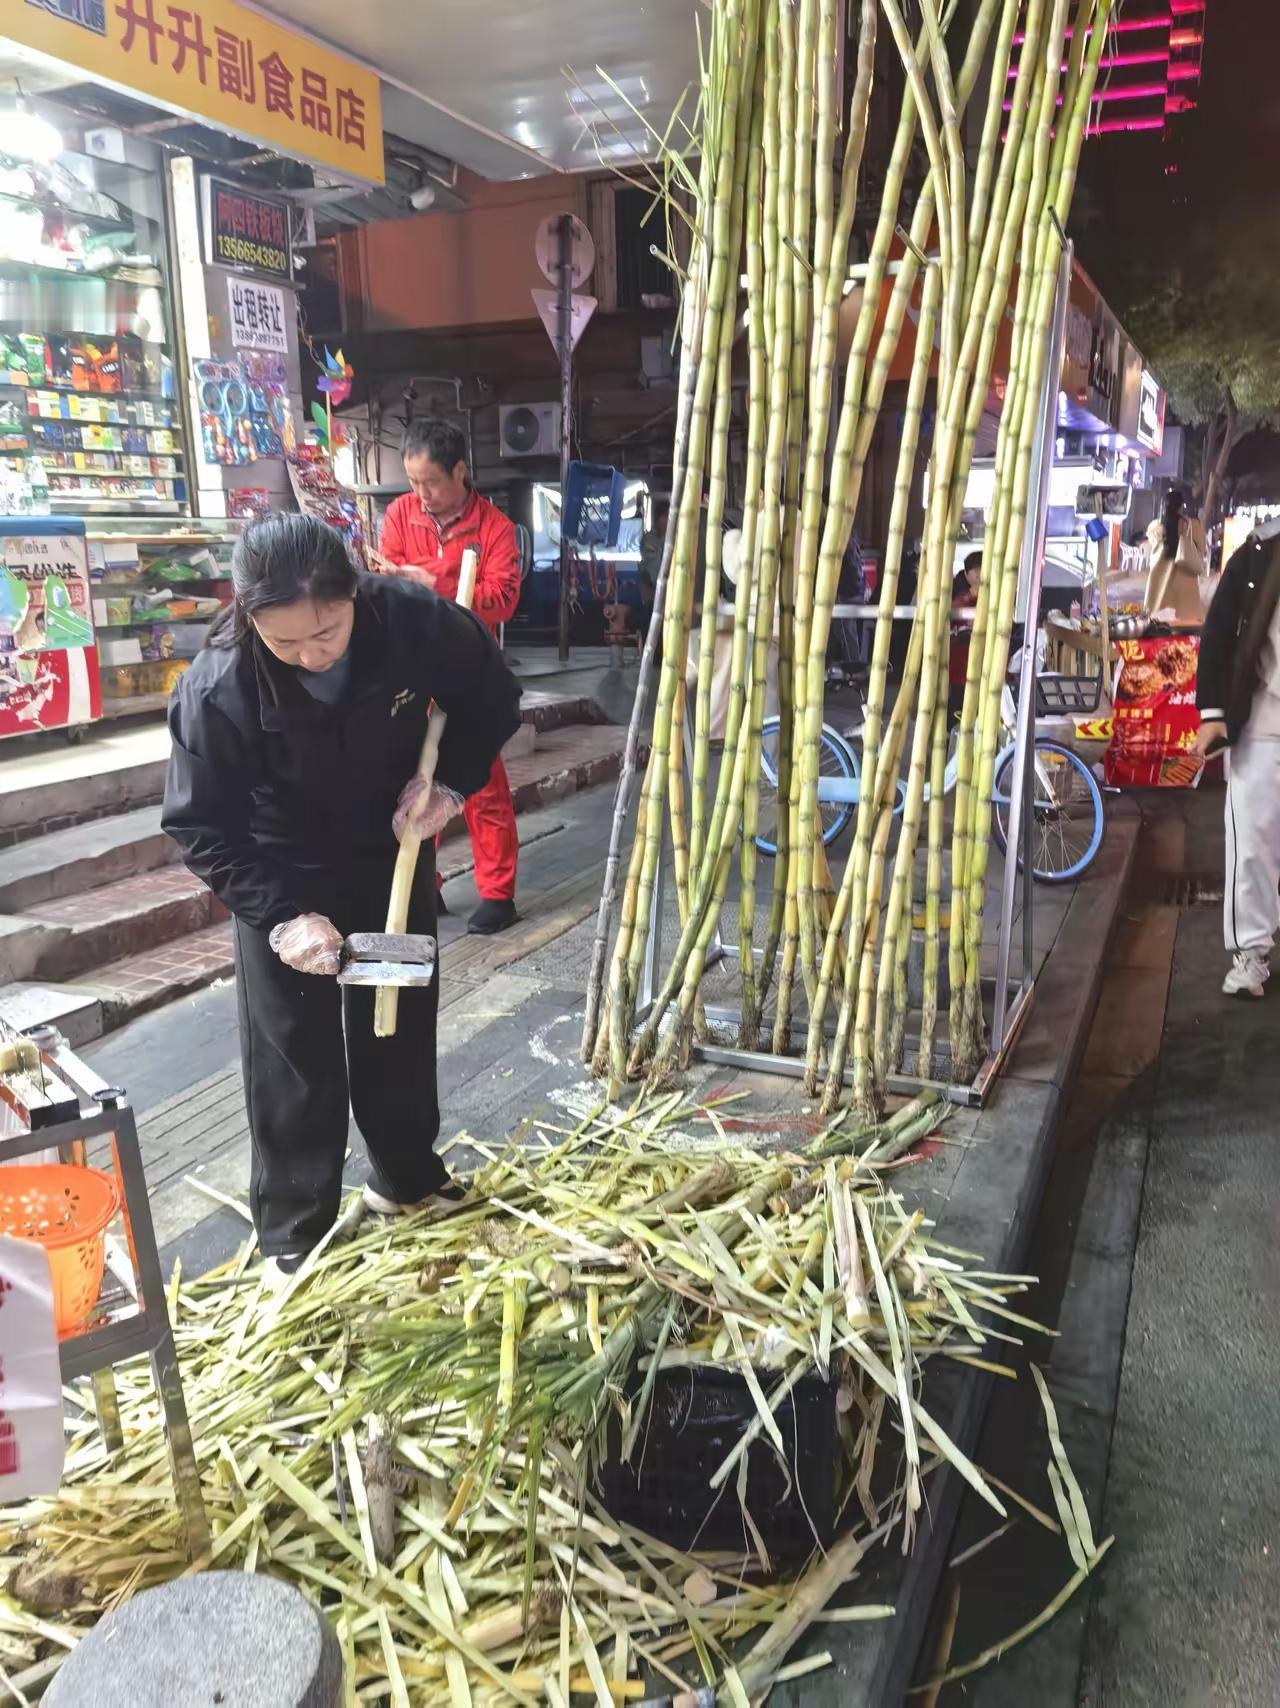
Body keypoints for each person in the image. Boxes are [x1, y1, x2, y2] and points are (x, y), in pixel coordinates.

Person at [162, 515, 521, 1271]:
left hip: (390, 855)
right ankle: (297, 1234)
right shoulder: (218, 686)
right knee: (295, 1050)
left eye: (327, 631)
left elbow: (491, 694)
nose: (311, 654)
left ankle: (406, 1179)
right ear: (249, 617)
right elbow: (200, 825)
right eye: (285, 641)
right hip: (279, 870)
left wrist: (451, 785)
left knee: (396, 1023)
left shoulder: (410, 620)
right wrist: (281, 916)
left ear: (354, 592)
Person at [379, 419, 522, 934]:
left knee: (480, 781)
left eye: (431, 482)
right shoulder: (399, 514)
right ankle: (426, 883)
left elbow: (502, 599)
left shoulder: (495, 527)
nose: (421, 495)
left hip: (472, 673)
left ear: (460, 471)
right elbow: (388, 581)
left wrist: (433, 579)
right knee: (415, 781)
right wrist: (431, 580)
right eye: (413, 482)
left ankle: (498, 893)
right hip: (412, 669)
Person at [1194, 515, 1280, 998]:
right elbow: (1220, 632)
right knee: (1252, 845)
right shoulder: (1259, 552)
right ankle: (1251, 952)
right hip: (1264, 723)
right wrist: (1213, 713)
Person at [1145, 486, 1206, 623]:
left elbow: (1152, 547)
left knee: (1158, 625)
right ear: (1181, 506)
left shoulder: (1155, 527)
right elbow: (1202, 550)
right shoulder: (1192, 526)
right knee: (1185, 627)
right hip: (1185, 587)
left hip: (1158, 583)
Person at [948, 552, 982, 723]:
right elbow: (952, 612)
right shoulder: (958, 594)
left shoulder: (997, 595)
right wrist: (970, 596)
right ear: (968, 575)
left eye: (983, 569)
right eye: (976, 571)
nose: (980, 575)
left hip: (984, 664)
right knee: (958, 704)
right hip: (961, 663)